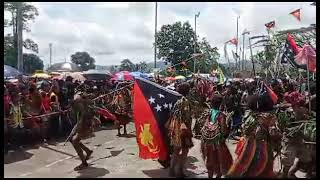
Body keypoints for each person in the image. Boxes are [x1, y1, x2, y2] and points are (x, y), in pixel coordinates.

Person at [227, 93, 282, 178]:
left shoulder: (249, 114)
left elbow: (243, 128)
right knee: (262, 170)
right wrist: (280, 136)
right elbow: (273, 133)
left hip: (247, 145)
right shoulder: (269, 117)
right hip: (263, 147)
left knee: (246, 167)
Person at [200, 94, 233, 178]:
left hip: (207, 141)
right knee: (221, 162)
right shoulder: (221, 115)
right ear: (221, 104)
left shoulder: (208, 112)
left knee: (210, 160)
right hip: (218, 143)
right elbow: (223, 131)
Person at [166, 83, 193, 177]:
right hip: (182, 129)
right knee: (185, 150)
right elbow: (186, 117)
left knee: (176, 150)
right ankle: (180, 171)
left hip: (175, 128)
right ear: (187, 91)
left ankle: (172, 170)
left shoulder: (176, 100)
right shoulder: (185, 101)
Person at [70, 93, 94, 171]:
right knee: (72, 139)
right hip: (81, 123)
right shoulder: (78, 102)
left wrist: (78, 126)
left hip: (84, 125)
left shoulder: (80, 102)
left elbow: (83, 115)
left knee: (74, 141)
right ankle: (88, 151)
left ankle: (84, 162)